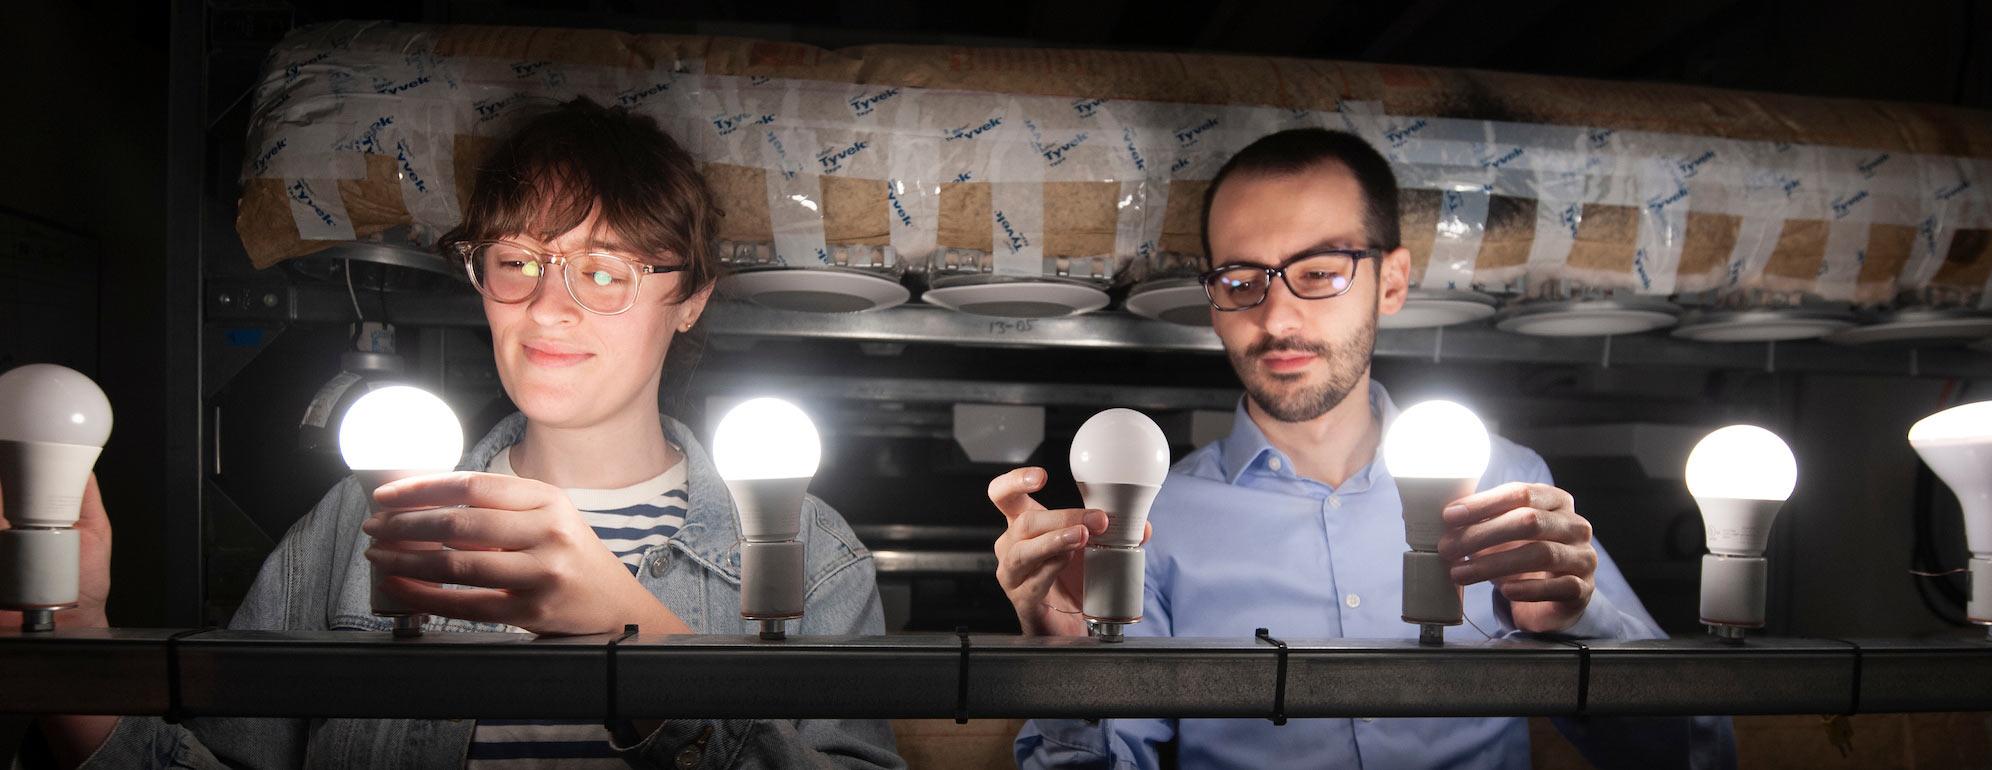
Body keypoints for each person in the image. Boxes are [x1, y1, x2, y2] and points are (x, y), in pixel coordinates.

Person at [6, 98, 904, 769]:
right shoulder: (353, 530)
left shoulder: (816, 557)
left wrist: (633, 636)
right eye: (516, 262)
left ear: (692, 296)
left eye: (604, 270)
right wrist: (72, 643)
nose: (549, 307)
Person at [990, 128, 1734, 769]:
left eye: (1318, 272)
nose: (1277, 317)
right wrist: (1070, 673)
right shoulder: (1153, 524)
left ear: (1393, 282)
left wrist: (1583, 621)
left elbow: (1691, 755)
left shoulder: (1507, 485)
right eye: (1242, 279)